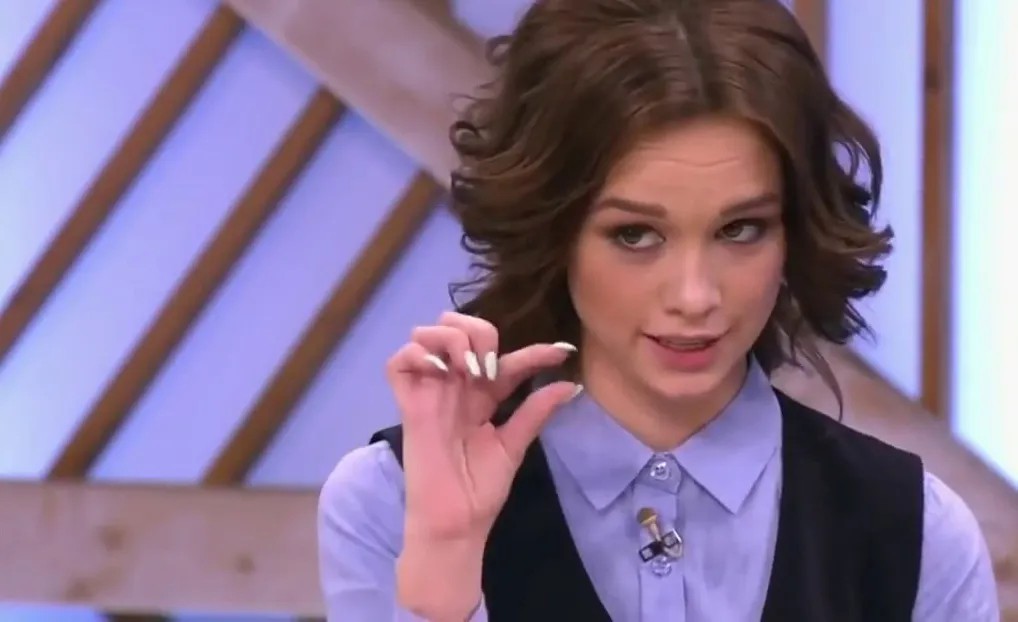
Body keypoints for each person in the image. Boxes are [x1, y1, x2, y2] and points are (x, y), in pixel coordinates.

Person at [316, 0, 1000, 620]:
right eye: (635, 235)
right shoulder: (389, 501)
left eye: (740, 229)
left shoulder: (916, 535)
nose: (695, 296)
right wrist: (443, 568)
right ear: (554, 230)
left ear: (794, 231)